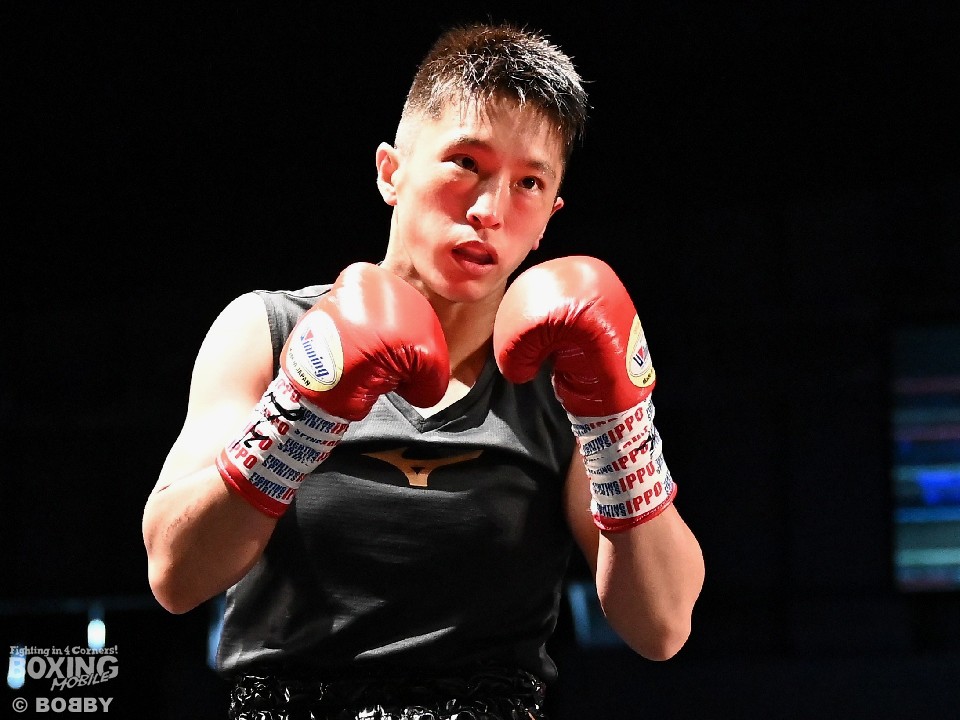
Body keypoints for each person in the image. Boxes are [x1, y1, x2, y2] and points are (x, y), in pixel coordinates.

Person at [142, 20, 705, 720]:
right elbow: (174, 575)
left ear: (549, 218)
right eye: (465, 162)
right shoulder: (269, 331)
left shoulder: (561, 378)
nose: (490, 210)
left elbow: (662, 627)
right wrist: (298, 414)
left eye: (529, 182)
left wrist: (619, 425)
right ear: (391, 172)